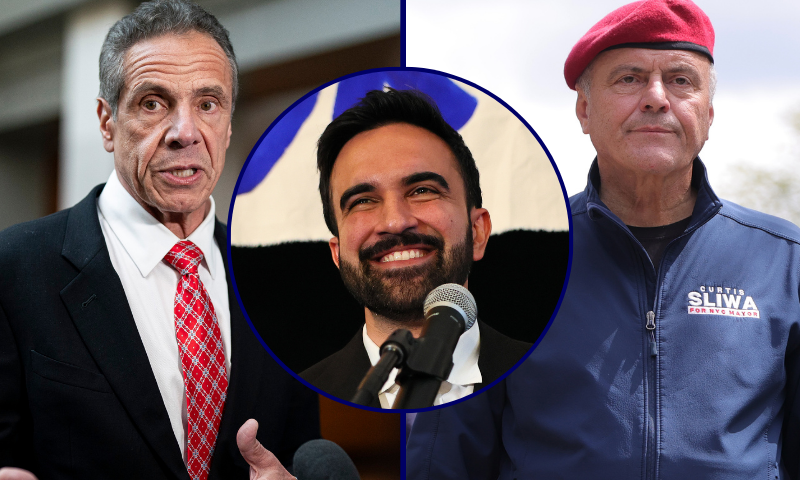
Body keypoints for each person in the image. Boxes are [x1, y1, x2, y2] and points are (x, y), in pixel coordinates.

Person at [407, 0, 800, 478]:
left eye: (681, 80)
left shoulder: (784, 262)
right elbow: (444, 457)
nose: (657, 98)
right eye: (629, 79)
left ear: (709, 114)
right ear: (585, 110)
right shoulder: (509, 265)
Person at [0, 1, 319, 479]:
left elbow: (303, 452)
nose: (185, 133)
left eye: (207, 104)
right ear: (107, 122)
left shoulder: (285, 286)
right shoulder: (15, 268)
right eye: (153, 103)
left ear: (228, 124)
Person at [300, 88, 532, 409]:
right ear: (337, 254)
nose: (395, 222)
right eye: (363, 201)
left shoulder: (557, 378)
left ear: (477, 232)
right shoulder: (296, 403)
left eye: (422, 190)